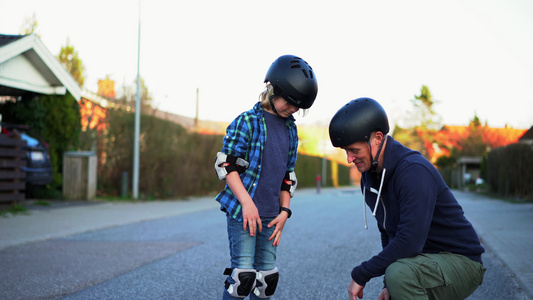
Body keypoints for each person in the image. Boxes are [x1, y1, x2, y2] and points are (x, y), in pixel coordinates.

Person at [328, 97, 486, 300]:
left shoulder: (413, 171)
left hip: (462, 261)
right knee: (396, 278)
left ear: (377, 138)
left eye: (354, 150)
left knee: (399, 276)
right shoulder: (370, 177)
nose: (349, 158)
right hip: (425, 261)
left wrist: (362, 274)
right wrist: (388, 285)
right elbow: (389, 235)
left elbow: (409, 241)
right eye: (345, 151)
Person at [214, 55, 318, 299]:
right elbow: (226, 166)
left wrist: (285, 212)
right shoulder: (247, 122)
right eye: (290, 102)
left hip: (272, 215)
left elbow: (287, 177)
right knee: (243, 278)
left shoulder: (291, 129)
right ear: (274, 89)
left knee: (266, 281)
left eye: (298, 106)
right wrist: (247, 203)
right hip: (244, 213)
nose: (293, 109)